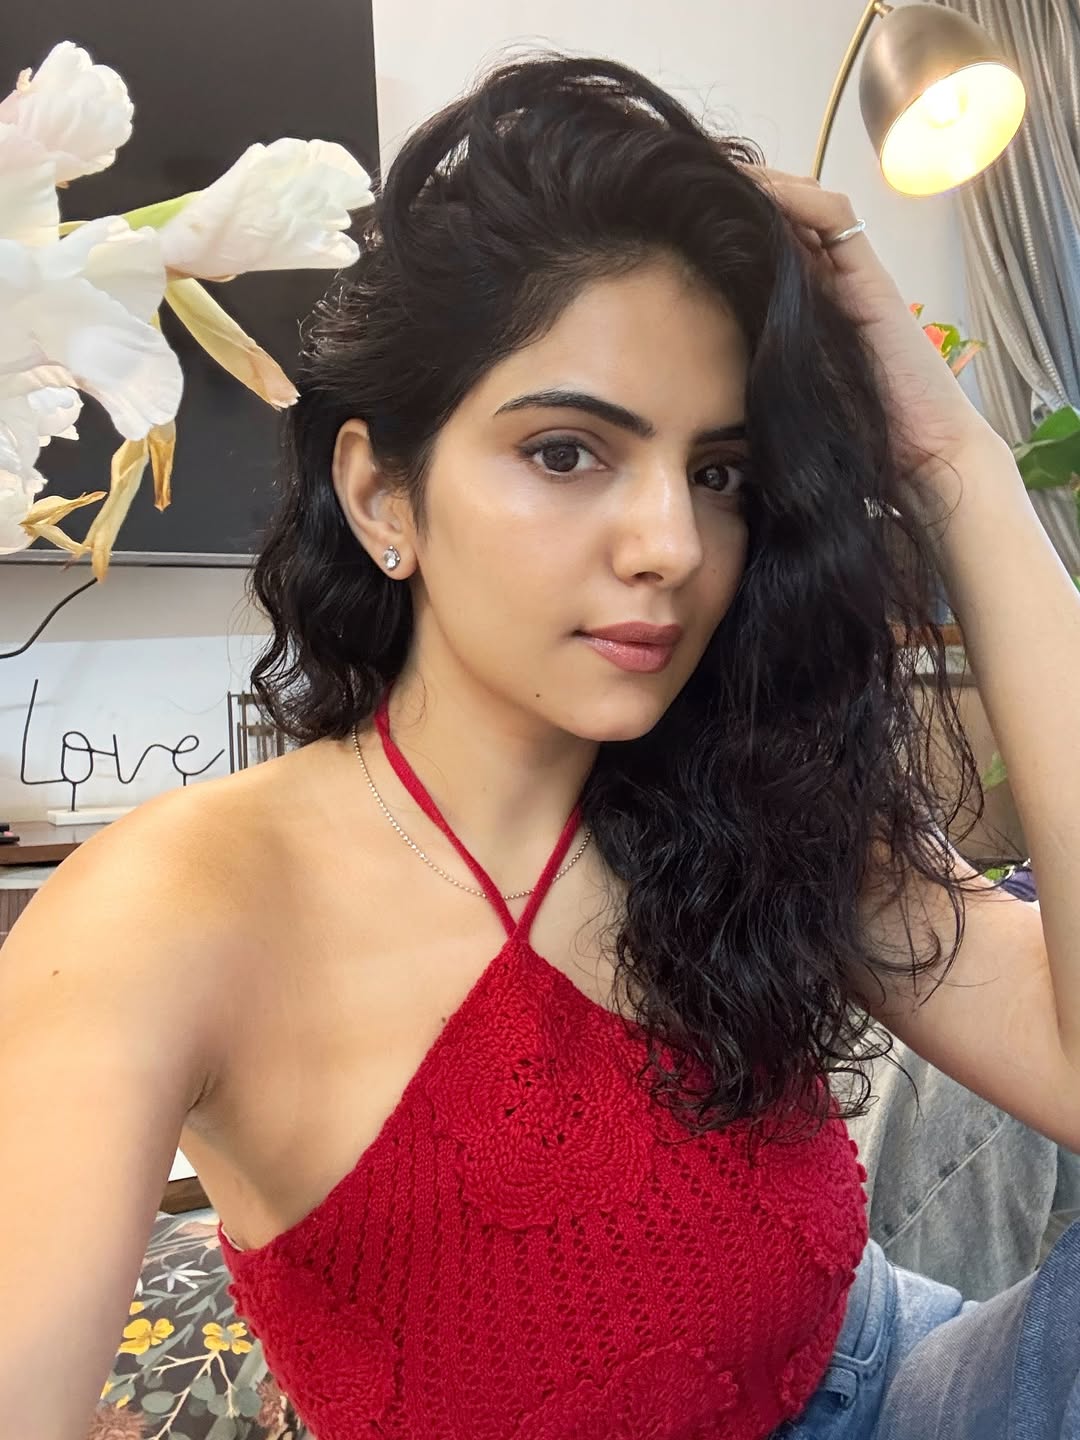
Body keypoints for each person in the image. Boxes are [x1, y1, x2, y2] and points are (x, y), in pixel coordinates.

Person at [3, 52, 1079, 1440]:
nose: (671, 545)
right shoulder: (173, 914)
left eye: (719, 473)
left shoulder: (752, 783)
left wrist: (952, 462)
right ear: (381, 494)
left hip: (891, 1386)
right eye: (567, 452)